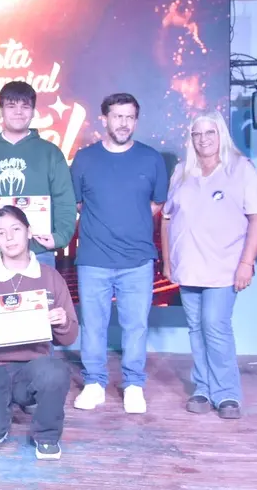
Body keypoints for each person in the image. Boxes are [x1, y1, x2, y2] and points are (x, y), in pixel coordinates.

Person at [0, 205, 78, 460]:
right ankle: (2, 403)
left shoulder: (50, 277)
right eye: (1, 233)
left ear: (29, 232)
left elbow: (69, 336)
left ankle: (46, 436)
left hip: (31, 365)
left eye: (16, 229)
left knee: (55, 371)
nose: (9, 238)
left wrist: (62, 321)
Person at [71, 93, 168, 414]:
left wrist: (131, 222)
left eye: (130, 117)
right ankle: (94, 383)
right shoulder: (85, 159)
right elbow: (79, 204)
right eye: (117, 116)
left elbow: (156, 203)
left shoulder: (151, 159)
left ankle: (134, 385)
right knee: (93, 326)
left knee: (136, 326)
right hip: (94, 259)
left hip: (137, 260)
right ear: (104, 119)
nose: (123, 123)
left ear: (136, 120)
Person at [161, 111, 257, 419]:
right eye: (197, 133)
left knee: (215, 325)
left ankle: (227, 393)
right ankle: (203, 388)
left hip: (224, 266)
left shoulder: (241, 169)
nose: (203, 139)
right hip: (188, 265)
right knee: (196, 328)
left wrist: (246, 263)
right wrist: (168, 260)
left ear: (221, 135)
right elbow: (167, 218)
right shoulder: (182, 171)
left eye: (210, 132)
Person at [0, 81, 77, 268]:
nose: (18, 112)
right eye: (11, 106)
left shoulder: (50, 153)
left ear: (33, 111)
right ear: (1, 110)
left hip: (39, 252)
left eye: (25, 106)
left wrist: (60, 237)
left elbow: (64, 200)